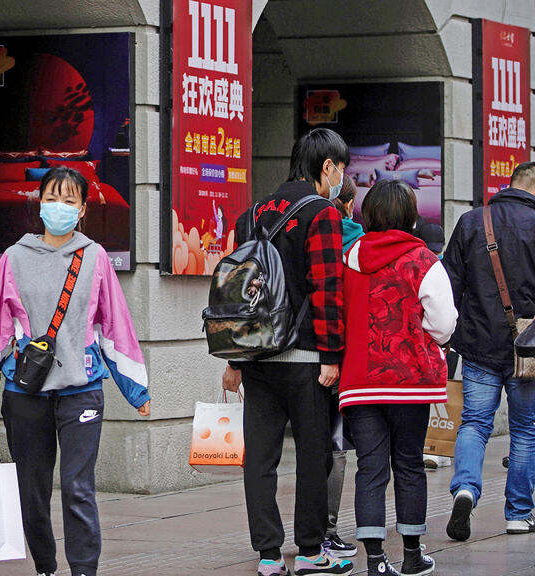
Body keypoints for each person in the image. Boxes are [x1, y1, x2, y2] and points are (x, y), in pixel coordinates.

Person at [0, 166, 151, 576]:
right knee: (32, 494)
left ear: (83, 209)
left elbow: (114, 327)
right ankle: (46, 568)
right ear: (38, 202)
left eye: (69, 200)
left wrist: (135, 390)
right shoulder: (13, 258)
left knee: (77, 489)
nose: (60, 207)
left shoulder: (96, 258)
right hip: (25, 394)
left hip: (81, 390)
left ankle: (84, 570)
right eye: (52, 198)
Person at [222, 128, 352, 576]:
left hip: (257, 358)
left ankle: (269, 556)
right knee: (313, 456)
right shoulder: (322, 213)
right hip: (307, 359)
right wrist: (332, 355)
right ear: (327, 167)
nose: (342, 178)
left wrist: (236, 361)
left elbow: (237, 293)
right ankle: (313, 552)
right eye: (342, 169)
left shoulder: (252, 214)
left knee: (260, 458)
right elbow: (327, 289)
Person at [339, 179, 457, 576]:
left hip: (358, 378)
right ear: (409, 215)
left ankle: (374, 561)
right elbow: (443, 323)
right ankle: (410, 555)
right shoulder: (423, 259)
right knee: (408, 464)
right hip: (409, 381)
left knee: (370, 468)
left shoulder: (350, 256)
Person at [443, 161, 535, 540]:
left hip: (478, 345)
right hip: (527, 351)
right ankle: (518, 513)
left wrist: (450, 338)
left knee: (475, 424)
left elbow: (449, 284)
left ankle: (465, 489)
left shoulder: (471, 221)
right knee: (526, 430)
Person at [323, 175, 362, 559]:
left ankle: (302, 533)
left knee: (310, 446)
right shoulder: (357, 244)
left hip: (300, 352)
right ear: (349, 204)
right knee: (336, 446)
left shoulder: (303, 229)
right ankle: (327, 530)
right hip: (343, 357)